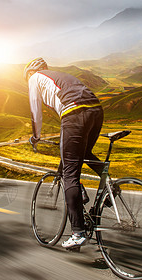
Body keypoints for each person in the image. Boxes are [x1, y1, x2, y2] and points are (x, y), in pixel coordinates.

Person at [24, 57, 104, 249]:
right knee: (83, 154)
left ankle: (78, 232)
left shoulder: (34, 79)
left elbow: (36, 111)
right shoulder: (59, 76)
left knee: (69, 174)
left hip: (74, 113)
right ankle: (110, 184)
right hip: (96, 110)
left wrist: (36, 137)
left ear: (28, 73)